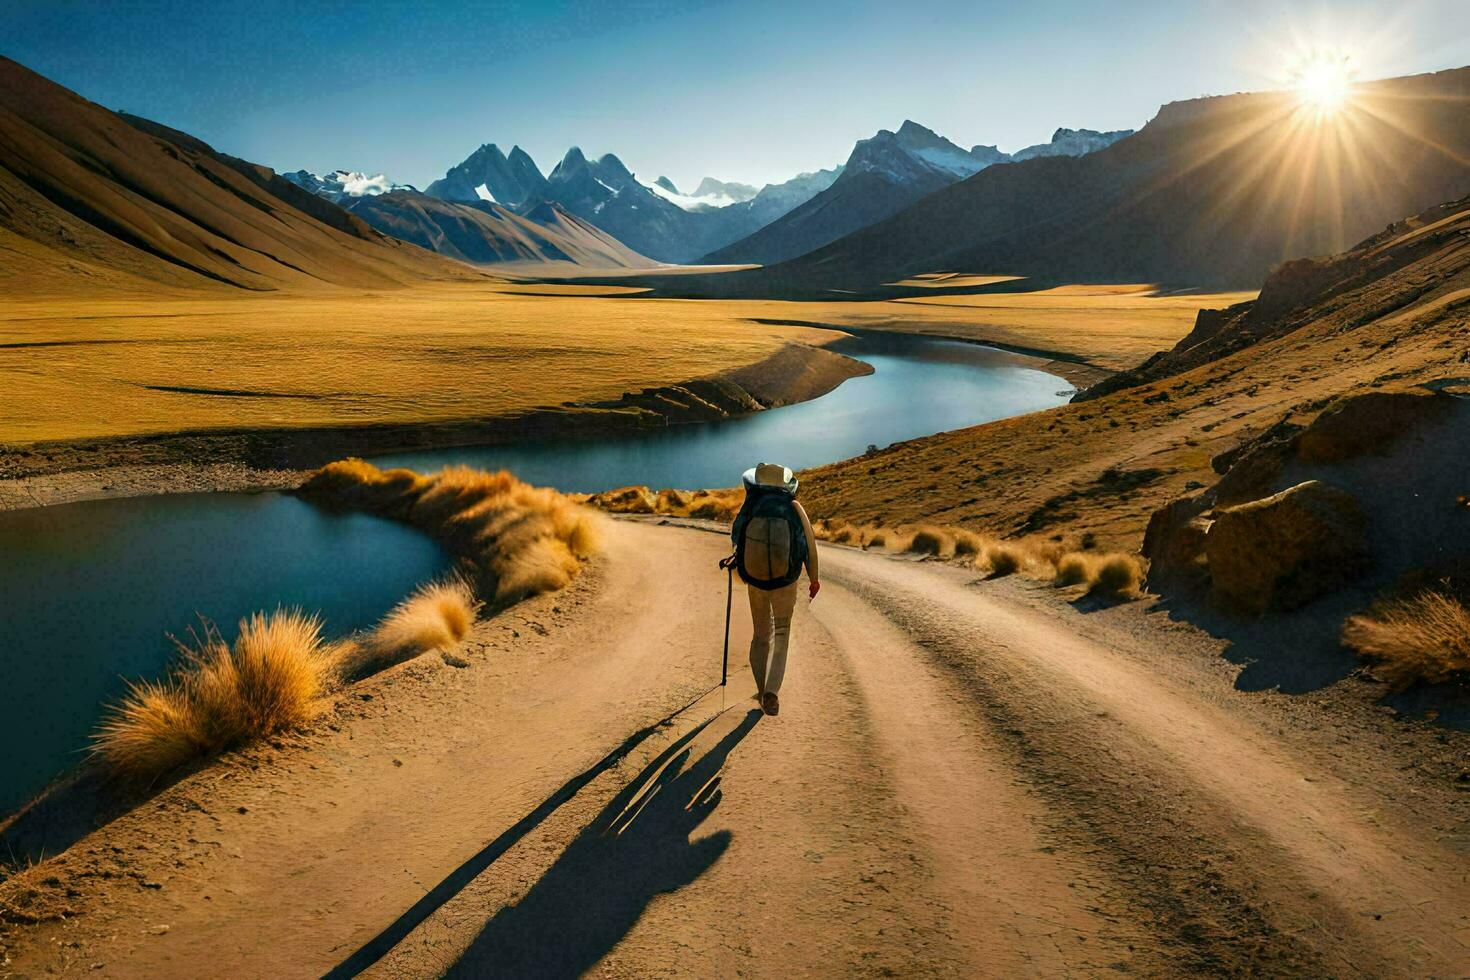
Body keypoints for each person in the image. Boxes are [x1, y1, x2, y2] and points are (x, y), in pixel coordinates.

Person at [730, 462, 819, 717]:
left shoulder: (751, 506)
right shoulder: (793, 507)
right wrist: (814, 578)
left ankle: (760, 690)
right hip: (786, 582)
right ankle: (772, 692)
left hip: (756, 581)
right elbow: (809, 543)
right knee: (781, 632)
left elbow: (737, 539)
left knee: (760, 635)